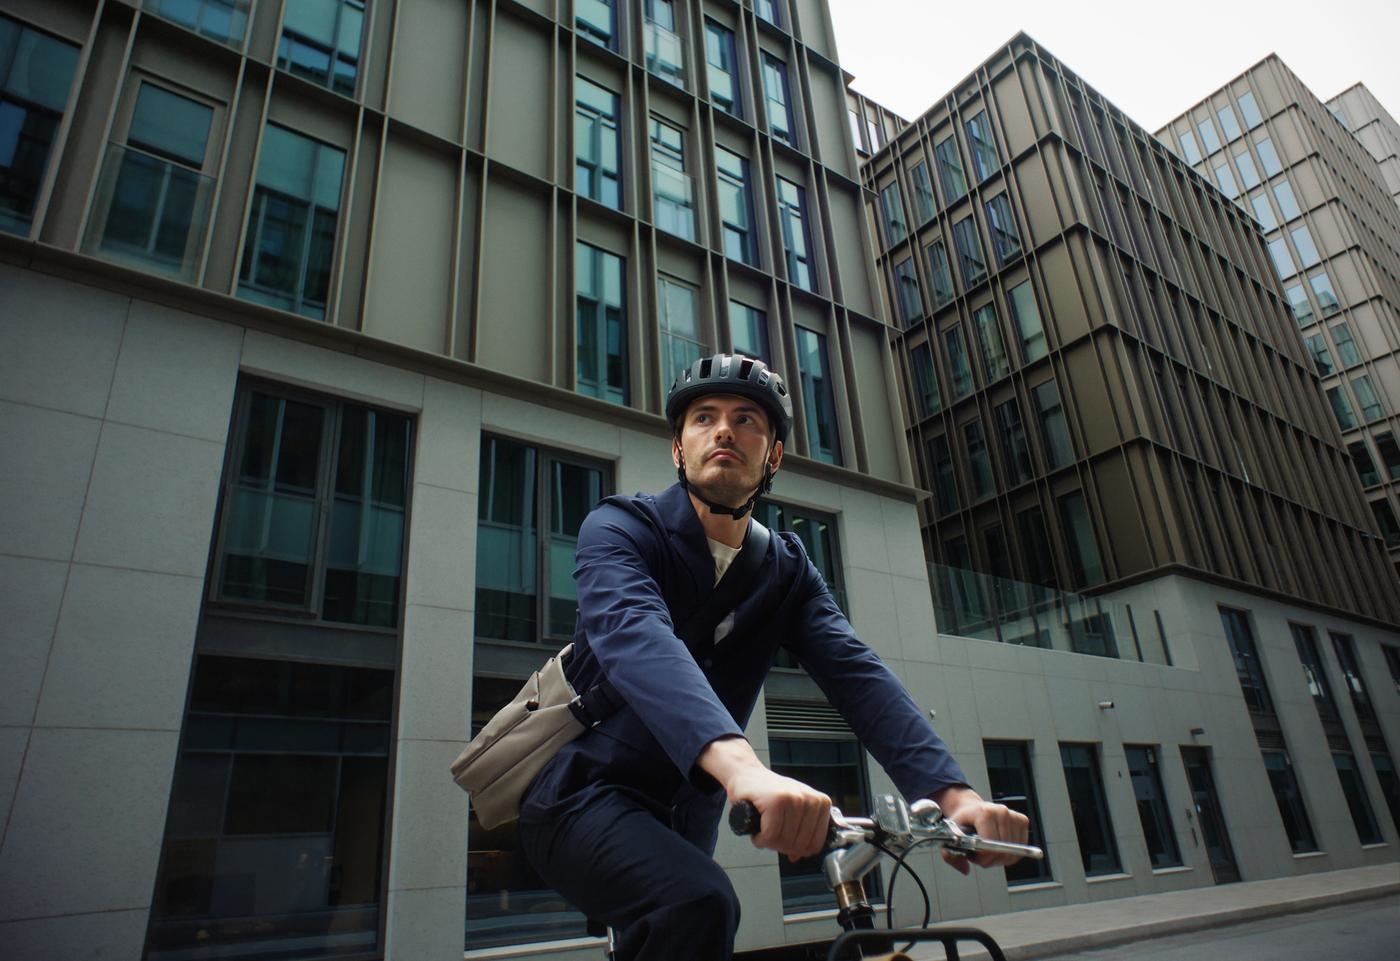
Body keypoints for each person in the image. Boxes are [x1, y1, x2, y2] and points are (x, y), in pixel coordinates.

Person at [517, 353, 1028, 960]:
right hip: (583, 797)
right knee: (698, 903)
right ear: (678, 450)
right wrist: (745, 771)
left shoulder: (785, 569)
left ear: (774, 456)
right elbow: (636, 637)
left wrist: (953, 796)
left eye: (747, 419)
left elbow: (858, 677)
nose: (724, 430)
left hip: (685, 818)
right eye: (703, 418)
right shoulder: (622, 527)